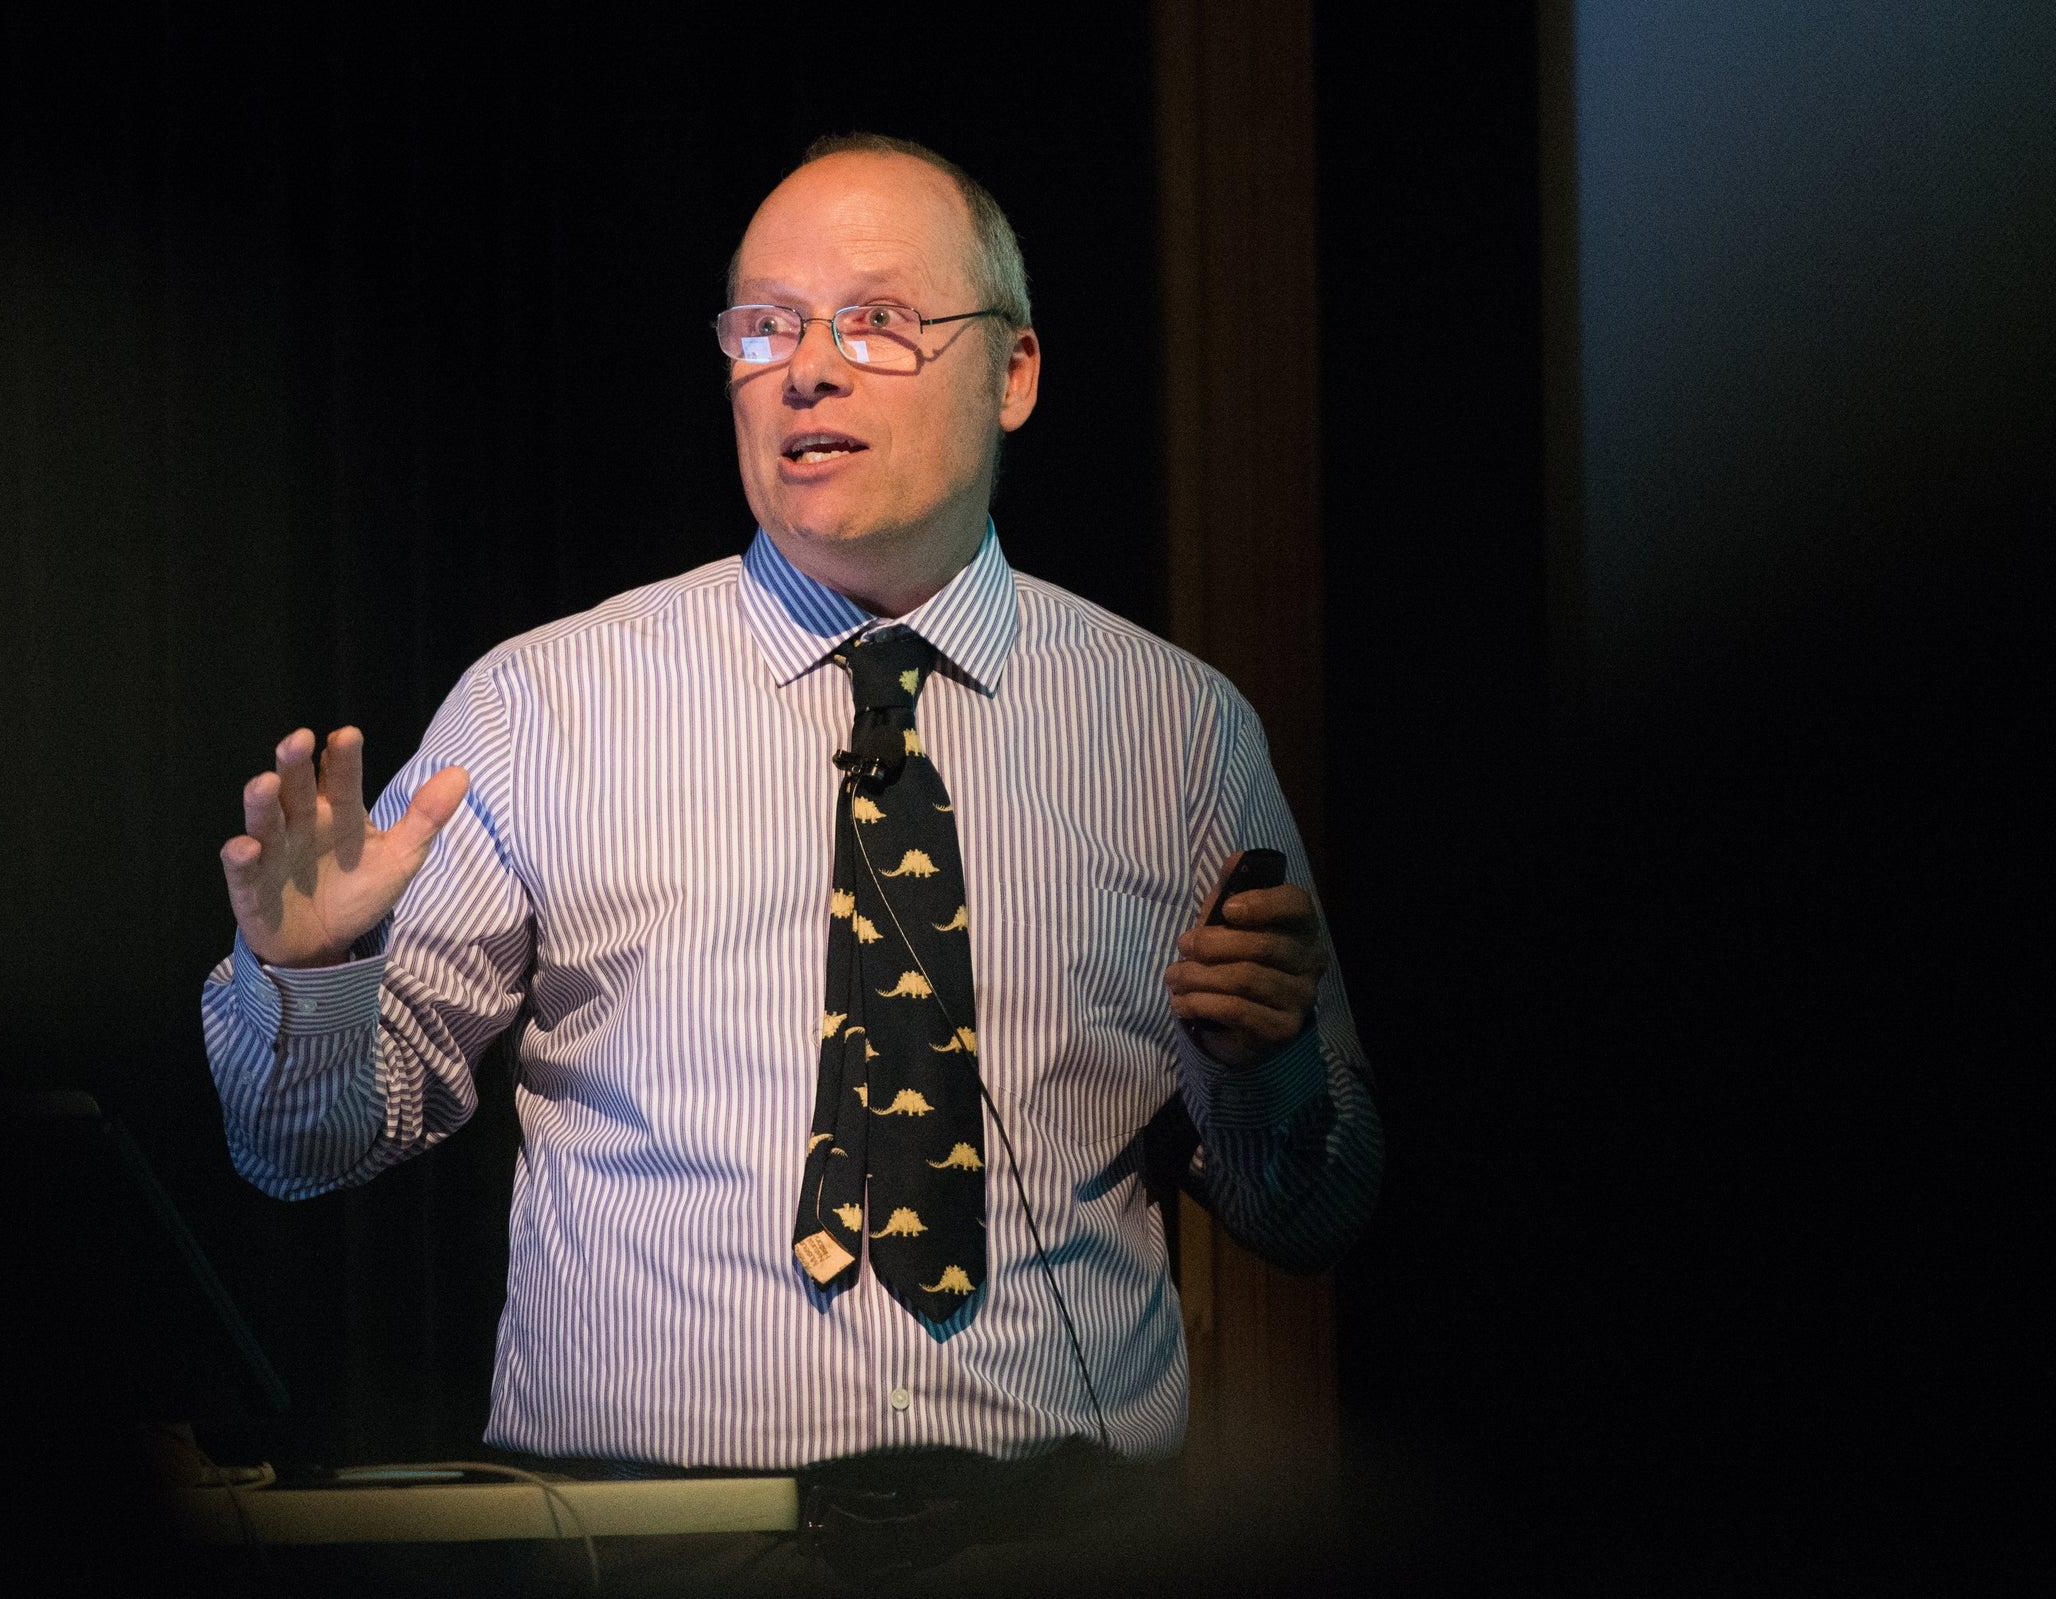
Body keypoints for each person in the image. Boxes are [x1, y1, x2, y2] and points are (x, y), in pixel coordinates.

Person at [202, 132, 1381, 1582]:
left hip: (1063, 1542)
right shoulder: (548, 705)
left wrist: (1259, 1070)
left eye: (877, 323)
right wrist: (307, 976)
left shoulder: (1175, 730)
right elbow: (301, 1153)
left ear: (1012, 372)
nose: (806, 369)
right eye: (764, 327)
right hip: (644, 1546)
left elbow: (1316, 1212)